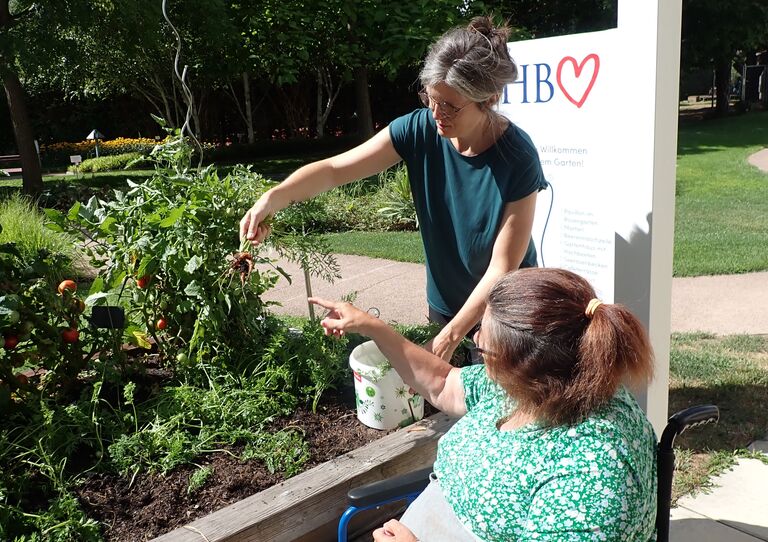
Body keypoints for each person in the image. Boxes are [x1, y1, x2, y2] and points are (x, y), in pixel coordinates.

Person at [240, 16, 547, 363]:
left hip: (506, 315)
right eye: (431, 98)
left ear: (488, 99)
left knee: (493, 398)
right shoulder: (418, 130)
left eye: (450, 106)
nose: (436, 114)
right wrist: (274, 197)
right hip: (445, 306)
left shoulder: (517, 156)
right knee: (442, 395)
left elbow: (503, 267)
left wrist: (449, 338)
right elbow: (333, 171)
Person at [310, 267, 657, 541]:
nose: (475, 338)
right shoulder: (542, 382)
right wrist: (372, 327)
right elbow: (443, 382)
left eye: (483, 346)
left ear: (524, 365)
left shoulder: (591, 477)